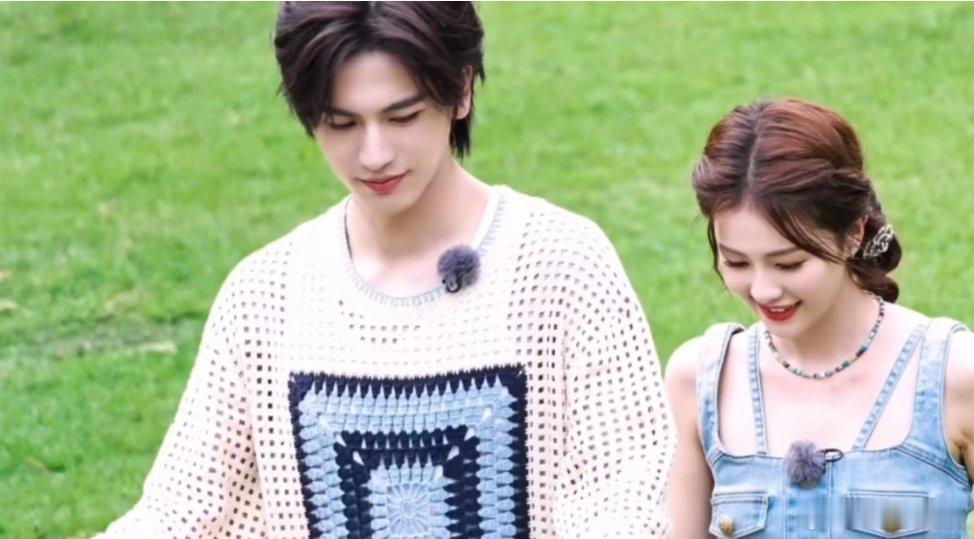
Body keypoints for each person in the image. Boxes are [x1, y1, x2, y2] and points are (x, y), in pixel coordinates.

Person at [99, 2, 675, 537]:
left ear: (463, 90)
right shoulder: (265, 297)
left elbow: (625, 494)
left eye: (403, 116)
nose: (374, 155)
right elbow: (182, 509)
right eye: (341, 123)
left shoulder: (561, 265)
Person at [664, 98, 974, 537]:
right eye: (736, 262)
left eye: (789, 264)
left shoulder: (955, 374)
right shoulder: (698, 380)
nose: (763, 289)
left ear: (854, 233)